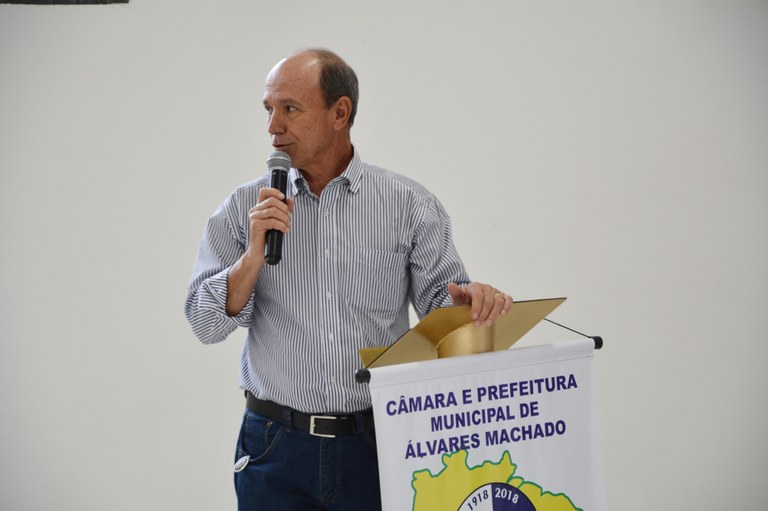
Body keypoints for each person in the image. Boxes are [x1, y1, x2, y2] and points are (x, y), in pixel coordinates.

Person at [185, 48, 513, 511]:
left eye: (290, 109)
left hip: (377, 443)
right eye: (268, 109)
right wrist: (252, 258)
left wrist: (472, 302)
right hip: (274, 448)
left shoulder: (408, 205)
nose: (273, 126)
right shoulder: (244, 208)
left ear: (340, 112)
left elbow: (443, 318)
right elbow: (204, 324)